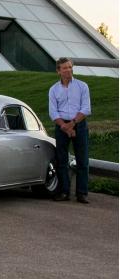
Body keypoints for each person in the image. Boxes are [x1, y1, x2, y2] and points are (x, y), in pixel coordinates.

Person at [49, 57, 91, 204]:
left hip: (79, 124)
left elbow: (86, 109)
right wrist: (64, 127)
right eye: (64, 68)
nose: (68, 70)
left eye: (70, 67)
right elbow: (53, 112)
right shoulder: (53, 89)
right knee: (61, 161)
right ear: (58, 71)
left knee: (82, 161)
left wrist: (72, 125)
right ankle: (64, 192)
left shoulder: (82, 86)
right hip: (61, 126)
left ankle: (82, 193)